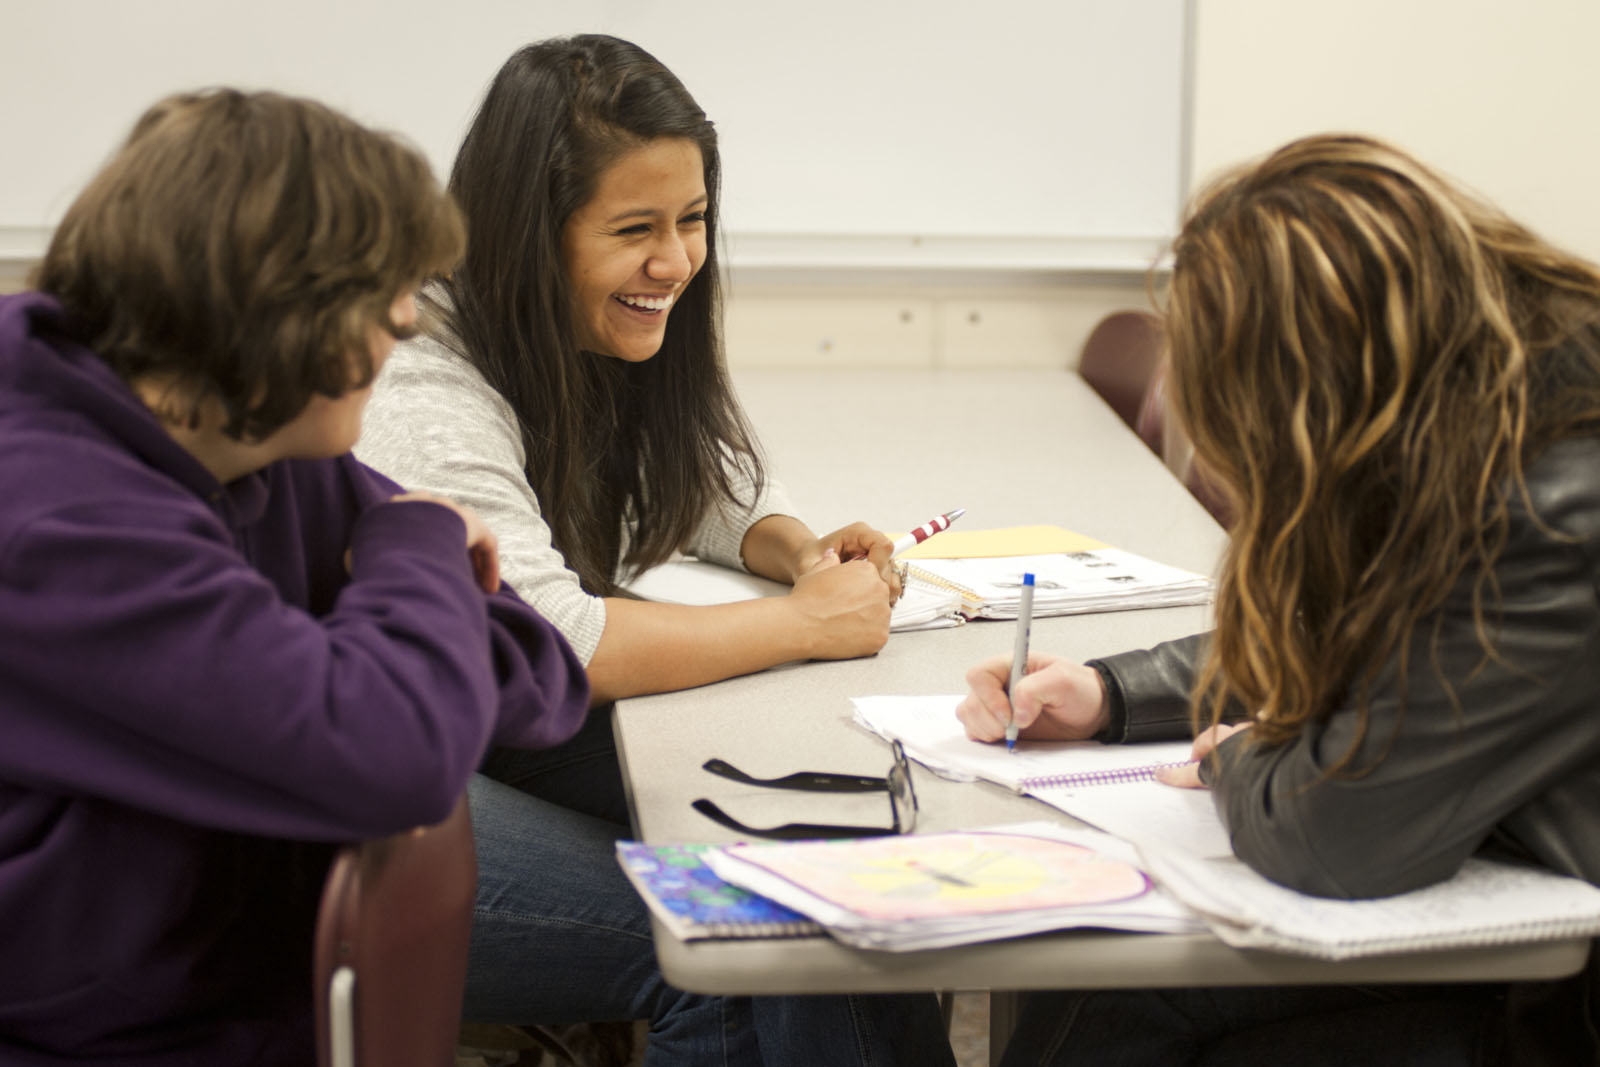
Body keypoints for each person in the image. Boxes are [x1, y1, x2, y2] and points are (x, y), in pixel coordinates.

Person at [354, 36, 952, 1063]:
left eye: (693, 220)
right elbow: (556, 638)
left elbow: (706, 483)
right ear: (525, 236)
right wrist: (800, 622)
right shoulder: (427, 378)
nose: (674, 260)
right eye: (635, 228)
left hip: (480, 721)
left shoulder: (587, 327)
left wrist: (797, 551)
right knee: (748, 935)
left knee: (834, 867)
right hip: (372, 791)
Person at [957, 134, 1600, 1065]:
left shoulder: (1553, 512)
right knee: (1104, 977)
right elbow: (1354, 629)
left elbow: (1332, 833)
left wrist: (1241, 756)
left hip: (1563, 985)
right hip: (1515, 877)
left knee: (1138, 1001)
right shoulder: (1482, 404)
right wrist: (1114, 692)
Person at [0, 89, 590, 1064]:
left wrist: (398, 621)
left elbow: (536, 669)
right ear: (280, 308)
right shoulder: (54, 521)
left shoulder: (262, 440)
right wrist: (415, 550)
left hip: (242, 993)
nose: (407, 320)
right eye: (383, 292)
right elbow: (397, 749)